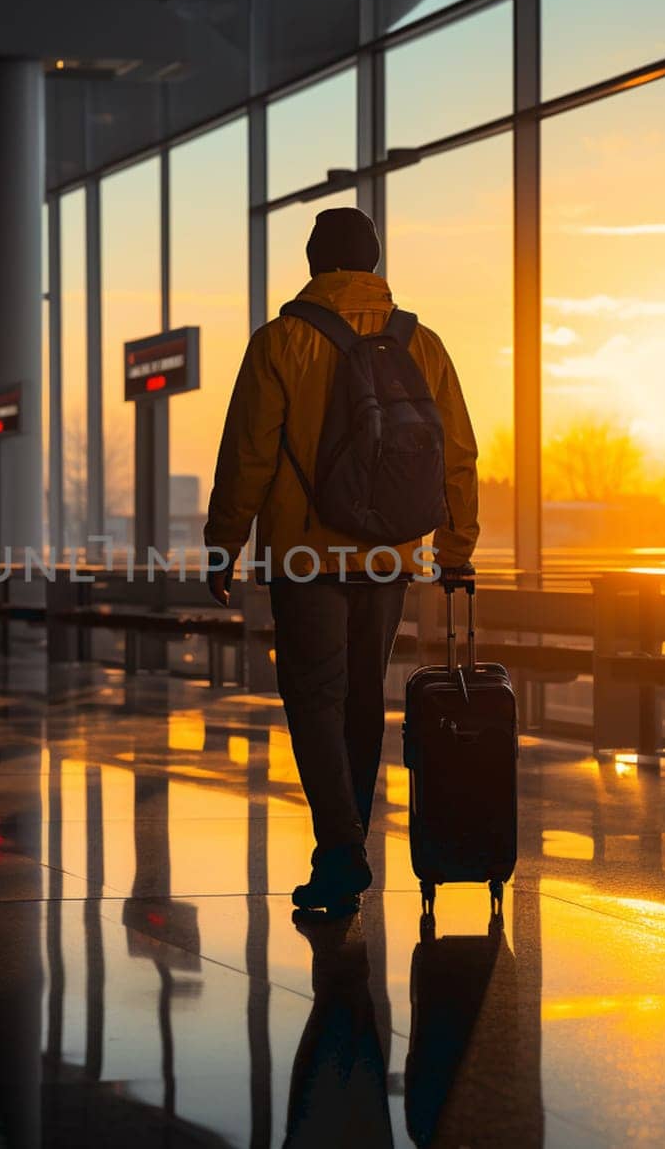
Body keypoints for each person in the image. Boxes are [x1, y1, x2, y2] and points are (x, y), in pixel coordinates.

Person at [203, 206, 480, 913]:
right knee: (362, 700)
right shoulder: (423, 343)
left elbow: (250, 454)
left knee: (315, 699)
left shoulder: (281, 342)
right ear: (374, 264)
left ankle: (342, 848)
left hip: (305, 555)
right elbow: (457, 453)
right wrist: (455, 549)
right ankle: (346, 845)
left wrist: (223, 543)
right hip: (390, 555)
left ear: (313, 264)